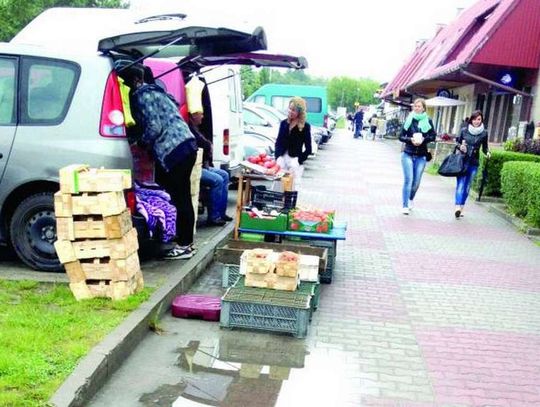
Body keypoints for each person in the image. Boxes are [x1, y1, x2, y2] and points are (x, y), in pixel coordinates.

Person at [120, 64, 198, 260]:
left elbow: (154, 127)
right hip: (187, 144)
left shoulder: (141, 96)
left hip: (174, 150)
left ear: (135, 81)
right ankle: (187, 243)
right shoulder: (158, 91)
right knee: (183, 197)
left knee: (180, 197)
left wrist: (140, 142)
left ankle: (183, 245)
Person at [188, 109, 233, 226]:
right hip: (194, 168)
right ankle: (214, 216)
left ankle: (221, 213)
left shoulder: (196, 128)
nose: (203, 117)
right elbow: (205, 144)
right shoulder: (190, 129)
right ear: (194, 115)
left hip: (203, 165)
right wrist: (208, 146)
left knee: (225, 174)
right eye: (201, 114)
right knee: (217, 180)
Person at [399, 98, 437, 215]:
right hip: (408, 153)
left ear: (423, 108)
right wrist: (410, 139)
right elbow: (400, 136)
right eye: (415, 106)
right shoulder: (409, 120)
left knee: (416, 183)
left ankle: (411, 199)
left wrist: (423, 140)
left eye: (419, 106)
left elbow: (433, 136)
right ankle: (405, 205)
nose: (417, 108)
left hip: (421, 155)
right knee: (408, 180)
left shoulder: (428, 121)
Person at [454, 110, 491, 218]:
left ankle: (461, 207)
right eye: (474, 119)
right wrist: (460, 146)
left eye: (478, 119)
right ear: (471, 119)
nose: (476, 121)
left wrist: (488, 152)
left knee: (467, 186)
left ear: (481, 120)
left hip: (474, 162)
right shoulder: (464, 130)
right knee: (461, 185)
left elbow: (485, 147)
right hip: (462, 161)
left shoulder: (484, 133)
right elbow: (457, 142)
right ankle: (457, 207)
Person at [275, 97, 312, 189]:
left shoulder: (305, 127)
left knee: (292, 186)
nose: (290, 112)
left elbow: (308, 149)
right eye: (290, 109)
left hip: (294, 160)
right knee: (278, 185)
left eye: (294, 110)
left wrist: (299, 160)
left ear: (299, 112)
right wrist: (278, 156)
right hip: (281, 159)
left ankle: (289, 202)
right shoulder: (283, 123)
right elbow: (278, 142)